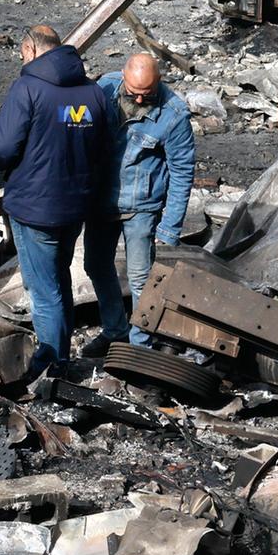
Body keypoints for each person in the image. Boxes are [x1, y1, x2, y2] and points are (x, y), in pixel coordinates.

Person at [0, 26, 111, 378]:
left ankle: (52, 363)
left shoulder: (28, 88)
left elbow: (2, 148)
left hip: (34, 207)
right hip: (76, 206)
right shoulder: (93, 92)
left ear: (29, 48)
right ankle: (60, 352)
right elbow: (103, 150)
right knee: (58, 279)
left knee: (43, 289)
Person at [84, 53, 196, 356]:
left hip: (141, 209)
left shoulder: (173, 114)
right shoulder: (104, 89)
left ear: (158, 82)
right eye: (133, 90)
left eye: (146, 93)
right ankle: (115, 330)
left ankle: (139, 347)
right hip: (100, 202)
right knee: (95, 266)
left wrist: (169, 227)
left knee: (141, 280)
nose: (138, 97)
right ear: (123, 75)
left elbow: (182, 172)